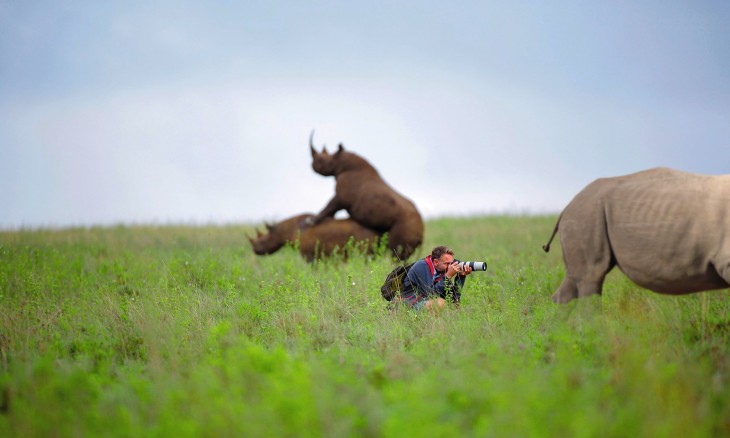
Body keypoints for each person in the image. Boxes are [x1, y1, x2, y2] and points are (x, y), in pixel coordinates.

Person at [400, 245, 472, 312]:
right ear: (436, 262)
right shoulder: (421, 266)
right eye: (447, 263)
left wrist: (461, 277)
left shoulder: (441, 271)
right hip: (408, 304)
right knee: (439, 303)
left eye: (451, 263)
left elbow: (453, 300)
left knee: (454, 307)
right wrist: (448, 276)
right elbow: (430, 294)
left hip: (423, 302)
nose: (450, 266)